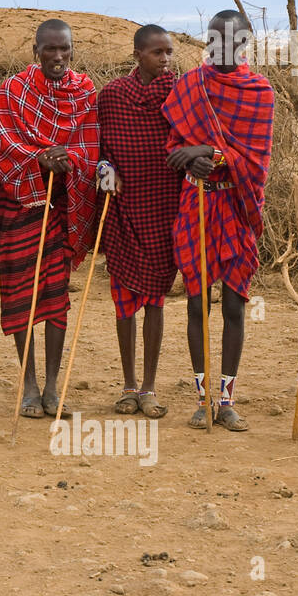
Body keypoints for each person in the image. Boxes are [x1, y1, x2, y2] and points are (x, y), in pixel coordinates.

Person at [163, 9, 274, 431]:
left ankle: (226, 400)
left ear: (245, 43)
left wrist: (210, 153)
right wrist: (194, 158)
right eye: (214, 39)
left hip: (236, 206)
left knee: (233, 304)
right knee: (195, 302)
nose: (222, 48)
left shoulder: (260, 93)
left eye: (232, 40)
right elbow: (175, 147)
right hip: (196, 201)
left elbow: (257, 162)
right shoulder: (189, 86)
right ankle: (201, 398)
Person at [0, 19, 99, 419]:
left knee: (56, 296)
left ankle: (53, 386)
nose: (58, 57)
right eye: (50, 49)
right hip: (20, 203)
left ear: (72, 49)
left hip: (62, 206)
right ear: (35, 50)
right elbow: (5, 143)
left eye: (65, 49)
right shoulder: (14, 90)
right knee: (22, 295)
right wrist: (39, 157)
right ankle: (28, 384)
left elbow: (88, 147)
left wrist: (66, 159)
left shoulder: (85, 90)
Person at [95, 24, 181, 419]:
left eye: (169, 52)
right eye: (157, 53)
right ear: (137, 55)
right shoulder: (112, 96)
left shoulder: (180, 94)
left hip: (164, 207)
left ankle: (149, 386)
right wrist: (105, 170)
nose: (165, 60)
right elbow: (101, 148)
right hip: (124, 207)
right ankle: (128, 384)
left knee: (156, 301)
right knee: (124, 301)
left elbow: (188, 140)